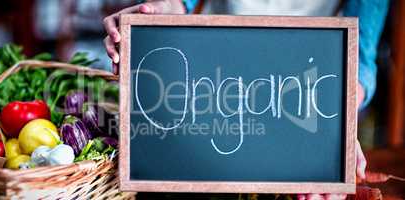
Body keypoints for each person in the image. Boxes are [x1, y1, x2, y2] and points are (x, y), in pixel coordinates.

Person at [103, 0, 389, 199]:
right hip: (215, 73)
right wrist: (154, 14)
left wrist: (338, 119)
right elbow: (180, 2)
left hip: (310, 82)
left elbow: (360, 51)